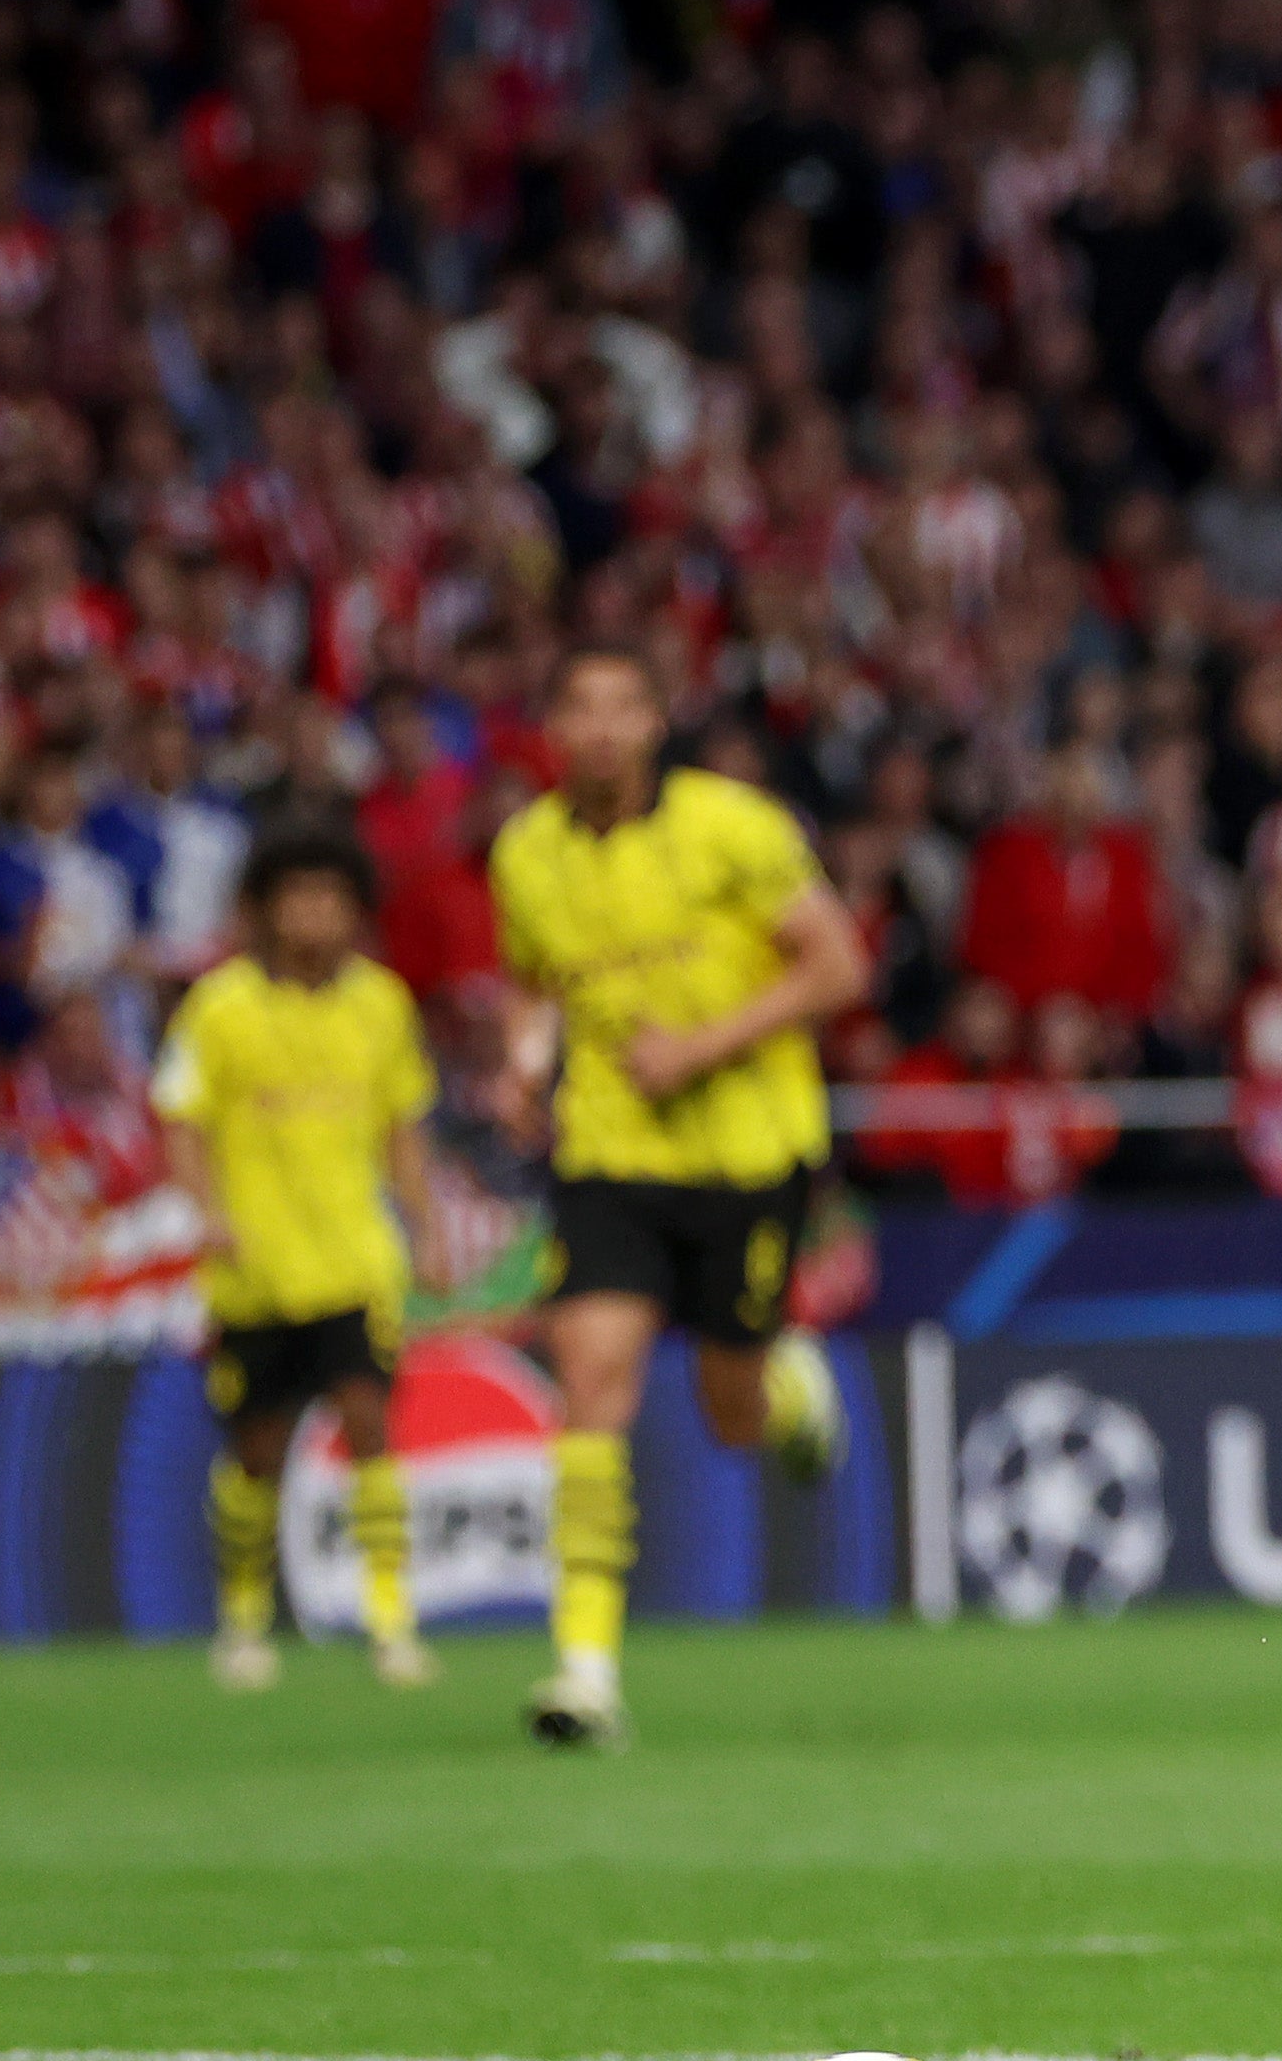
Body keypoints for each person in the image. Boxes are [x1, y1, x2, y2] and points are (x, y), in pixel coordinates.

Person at [488, 645, 869, 1749]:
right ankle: (585, 1669)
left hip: (750, 1155)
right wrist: (522, 1063)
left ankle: (795, 1393)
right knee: (592, 1378)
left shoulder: (735, 828)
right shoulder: (525, 853)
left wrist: (701, 1047)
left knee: (730, 1410)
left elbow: (836, 966)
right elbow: (531, 985)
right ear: (552, 727)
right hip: (610, 1158)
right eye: (579, 706)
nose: (601, 729)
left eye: (623, 707)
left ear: (657, 722)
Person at [150, 825, 457, 1692]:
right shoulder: (220, 1006)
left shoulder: (382, 1004)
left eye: (331, 898)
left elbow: (404, 1129)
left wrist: (428, 1225)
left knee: (368, 1423)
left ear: (354, 912)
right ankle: (243, 1616)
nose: (315, 914)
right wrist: (206, 1212)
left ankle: (391, 1621)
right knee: (259, 1449)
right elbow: (181, 1119)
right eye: (297, 897)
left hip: (355, 1261)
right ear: (266, 910)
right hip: (255, 1266)